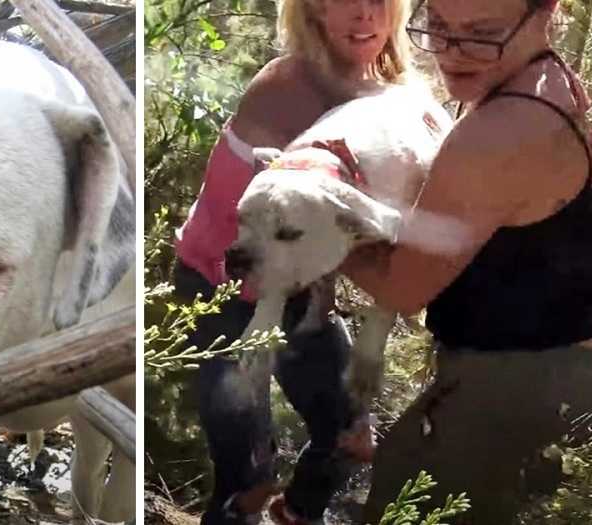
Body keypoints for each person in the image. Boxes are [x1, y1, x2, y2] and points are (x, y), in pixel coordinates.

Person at [337, 0, 592, 523]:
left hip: (522, 389)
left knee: (402, 509)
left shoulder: (504, 131)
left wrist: (322, 225)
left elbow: (402, 290)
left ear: (546, 13)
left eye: (482, 33)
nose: (451, 52)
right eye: (439, 26)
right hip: (563, 366)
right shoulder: (540, 76)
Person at [172, 1, 417, 523]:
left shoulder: (383, 91)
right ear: (313, 11)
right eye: (344, 2)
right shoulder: (288, 87)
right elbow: (267, 232)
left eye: (378, 2)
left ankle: (298, 512)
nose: (363, 17)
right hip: (221, 294)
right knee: (246, 482)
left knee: (350, 438)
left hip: (299, 295)